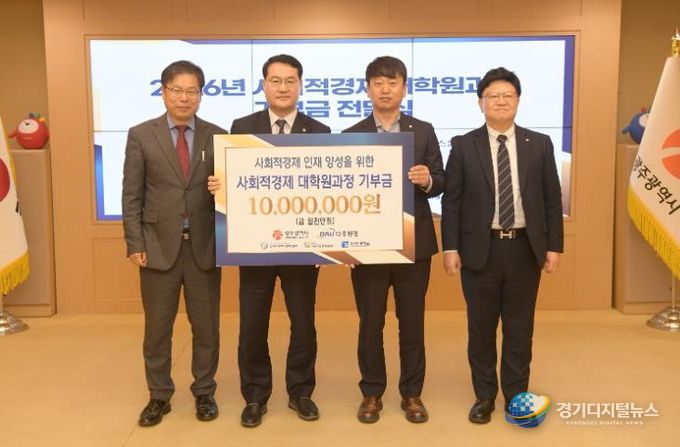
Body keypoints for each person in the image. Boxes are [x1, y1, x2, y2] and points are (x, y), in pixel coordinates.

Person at [212, 54, 330, 428]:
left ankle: (301, 392)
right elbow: (234, 182)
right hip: (255, 246)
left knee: (304, 324)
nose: (282, 87)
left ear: (300, 85)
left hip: (303, 246)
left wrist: (326, 239)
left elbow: (327, 189)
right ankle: (255, 395)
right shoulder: (242, 127)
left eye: (290, 80)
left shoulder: (319, 131)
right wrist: (219, 184)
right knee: (252, 325)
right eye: (275, 81)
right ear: (264, 85)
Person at [441, 67, 563, 424]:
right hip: (480, 250)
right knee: (480, 330)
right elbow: (452, 200)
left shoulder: (539, 144)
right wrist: (450, 248)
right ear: (480, 103)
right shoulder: (463, 145)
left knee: (519, 329)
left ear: (518, 101)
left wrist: (554, 246)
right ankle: (484, 397)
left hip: (525, 248)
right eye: (493, 96)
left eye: (507, 95)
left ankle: (516, 396)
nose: (500, 101)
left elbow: (552, 198)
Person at [122, 60, 224, 427]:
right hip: (156, 246)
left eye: (192, 91)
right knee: (157, 329)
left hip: (204, 246)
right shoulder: (141, 135)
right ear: (164, 91)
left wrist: (224, 188)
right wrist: (134, 241)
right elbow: (131, 194)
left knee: (207, 327)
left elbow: (233, 193)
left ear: (201, 94)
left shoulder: (218, 135)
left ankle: (204, 392)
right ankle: (159, 396)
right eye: (177, 90)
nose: (184, 97)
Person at [343, 56, 444, 424]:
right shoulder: (350, 135)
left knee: (412, 322)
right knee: (370, 322)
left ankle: (412, 393)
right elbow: (339, 193)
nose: (385, 90)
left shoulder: (424, 130)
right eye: (378, 83)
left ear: (404, 88)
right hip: (367, 245)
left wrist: (427, 180)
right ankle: (371, 392)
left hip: (413, 243)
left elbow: (442, 180)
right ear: (367, 89)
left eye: (392, 82)